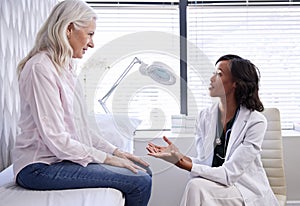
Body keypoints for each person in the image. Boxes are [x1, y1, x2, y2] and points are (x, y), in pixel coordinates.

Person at [12, 1, 151, 206]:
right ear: (69, 29)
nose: (92, 43)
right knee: (140, 182)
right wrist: (107, 159)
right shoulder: (40, 68)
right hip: (38, 168)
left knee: (143, 171)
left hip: (56, 161)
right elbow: (57, 140)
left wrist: (115, 151)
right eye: (90, 34)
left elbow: (79, 128)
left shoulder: (64, 69)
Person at [147, 54, 279, 206]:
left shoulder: (255, 121)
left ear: (235, 83)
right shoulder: (205, 116)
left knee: (196, 187)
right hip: (215, 185)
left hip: (243, 189)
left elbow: (229, 174)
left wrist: (183, 163)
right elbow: (205, 163)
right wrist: (178, 157)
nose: (211, 78)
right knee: (196, 186)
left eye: (219, 74)